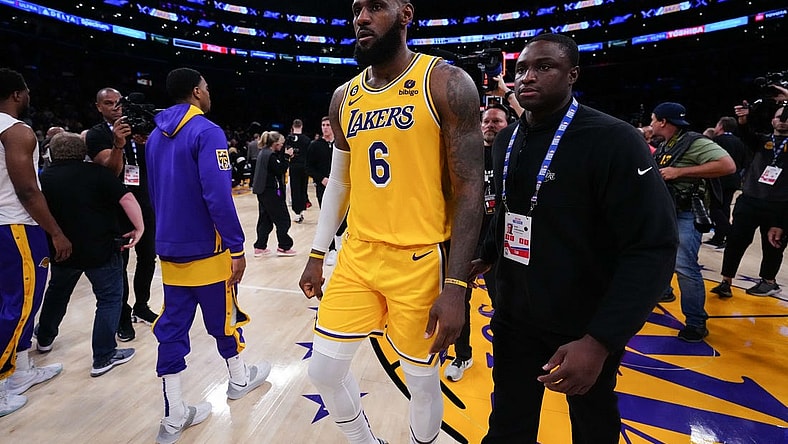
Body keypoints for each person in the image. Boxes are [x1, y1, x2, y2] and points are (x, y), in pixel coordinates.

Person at [471, 34, 678, 443]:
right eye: (521, 70)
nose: (527, 77)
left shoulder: (614, 140)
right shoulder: (506, 141)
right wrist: (489, 254)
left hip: (583, 324)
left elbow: (651, 246)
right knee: (508, 420)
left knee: (593, 423)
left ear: (573, 75)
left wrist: (600, 341)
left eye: (544, 67)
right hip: (514, 315)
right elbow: (511, 212)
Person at [298, 1, 484, 443]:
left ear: (405, 13)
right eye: (356, 8)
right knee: (323, 371)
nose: (360, 16)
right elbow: (339, 184)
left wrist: (456, 287)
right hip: (358, 254)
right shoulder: (344, 97)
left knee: (420, 382)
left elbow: (471, 189)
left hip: (420, 258)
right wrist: (316, 253)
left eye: (375, 7)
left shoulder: (445, 82)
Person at [146, 67, 271, 444]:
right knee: (224, 318)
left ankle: (173, 415)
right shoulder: (207, 132)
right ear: (198, 91)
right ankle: (237, 380)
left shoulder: (153, 136)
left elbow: (154, 195)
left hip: (169, 248)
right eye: (208, 87)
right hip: (207, 248)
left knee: (172, 328)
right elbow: (218, 196)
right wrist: (236, 246)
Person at [37, 132, 142, 377]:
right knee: (108, 299)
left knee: (57, 292)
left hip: (63, 250)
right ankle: (104, 356)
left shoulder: (43, 179)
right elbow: (127, 199)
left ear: (51, 153)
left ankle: (44, 338)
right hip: (101, 249)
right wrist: (139, 228)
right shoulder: (97, 173)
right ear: (82, 151)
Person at [0, 67, 69, 417]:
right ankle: (1, 386)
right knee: (20, 304)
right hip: (16, 227)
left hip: (2, 227)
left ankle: (22, 371)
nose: (28, 98)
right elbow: (27, 189)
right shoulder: (16, 130)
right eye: (25, 91)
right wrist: (55, 231)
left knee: (12, 301)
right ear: (16, 94)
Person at [651, 101, 735, 341]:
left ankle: (696, 322)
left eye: (653, 119)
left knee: (685, 266)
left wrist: (680, 172)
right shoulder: (668, 143)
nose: (651, 124)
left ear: (663, 122)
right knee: (661, 257)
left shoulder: (694, 142)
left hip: (686, 213)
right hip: (668, 210)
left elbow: (727, 165)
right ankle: (665, 291)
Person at [85, 87, 158, 342]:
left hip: (146, 204)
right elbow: (110, 172)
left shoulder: (138, 128)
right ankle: (123, 315)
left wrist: (150, 144)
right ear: (99, 107)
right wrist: (119, 144)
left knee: (148, 259)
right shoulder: (95, 135)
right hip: (116, 209)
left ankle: (141, 305)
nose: (115, 106)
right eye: (108, 103)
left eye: (119, 101)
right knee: (121, 266)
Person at [445, 104, 508, 383]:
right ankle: (462, 354)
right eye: (487, 120)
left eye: (497, 121)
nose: (491, 125)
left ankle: (509, 356)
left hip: (501, 239)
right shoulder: (468, 155)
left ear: (509, 124)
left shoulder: (513, 153)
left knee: (504, 304)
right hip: (467, 237)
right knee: (459, 299)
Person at [709, 92, 788, 299]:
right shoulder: (762, 141)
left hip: (780, 205)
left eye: (787, 118)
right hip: (750, 200)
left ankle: (769, 282)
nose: (783, 122)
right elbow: (746, 134)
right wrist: (743, 119)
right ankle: (726, 281)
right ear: (772, 120)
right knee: (736, 241)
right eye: (780, 117)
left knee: (773, 246)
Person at [305, 116, 347, 266]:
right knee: (328, 216)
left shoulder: (341, 144)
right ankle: (331, 250)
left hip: (343, 187)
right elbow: (308, 167)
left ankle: (341, 244)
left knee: (345, 217)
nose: (325, 127)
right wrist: (321, 179)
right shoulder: (315, 145)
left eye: (328, 125)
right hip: (324, 187)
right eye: (323, 125)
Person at [704, 116, 748, 248]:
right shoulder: (740, 142)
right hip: (734, 179)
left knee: (714, 208)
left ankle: (729, 233)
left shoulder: (717, 140)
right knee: (725, 207)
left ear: (721, 126)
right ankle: (719, 237)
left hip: (719, 179)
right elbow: (744, 162)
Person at [252, 131, 297, 257]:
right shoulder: (270, 156)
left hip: (262, 191)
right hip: (270, 192)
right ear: (275, 144)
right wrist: (287, 157)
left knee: (265, 219)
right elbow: (280, 170)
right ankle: (284, 246)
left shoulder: (263, 152)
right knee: (283, 219)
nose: (282, 146)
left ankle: (260, 247)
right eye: (281, 144)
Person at [287, 119, 312, 223]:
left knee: (295, 189)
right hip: (304, 167)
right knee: (303, 188)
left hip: (294, 166)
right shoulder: (307, 139)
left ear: (293, 126)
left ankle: (297, 213)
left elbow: (286, 152)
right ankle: (302, 209)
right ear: (301, 126)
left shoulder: (289, 138)